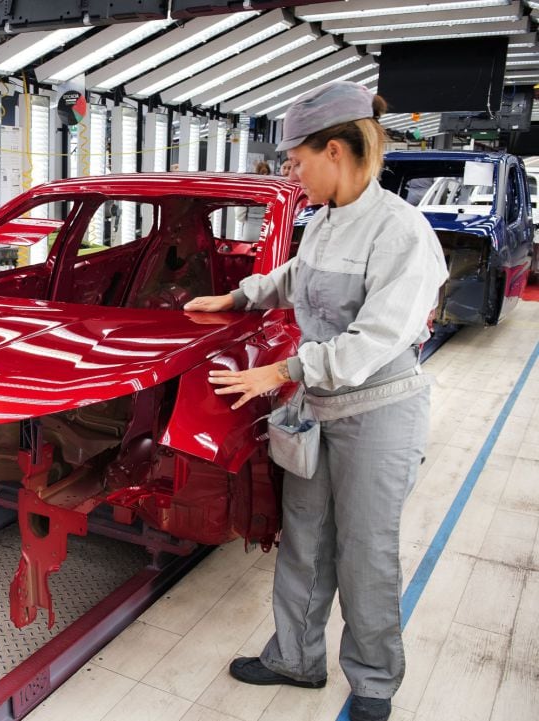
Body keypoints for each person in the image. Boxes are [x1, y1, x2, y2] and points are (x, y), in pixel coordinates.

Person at [183, 82, 448, 721]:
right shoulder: (326, 221)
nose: (292, 176)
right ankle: (295, 658)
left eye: (297, 163)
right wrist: (239, 297)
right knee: (305, 538)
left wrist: (283, 370)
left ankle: (375, 684)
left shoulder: (402, 233)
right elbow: (295, 276)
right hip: (319, 410)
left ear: (336, 150)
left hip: (376, 411)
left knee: (365, 551)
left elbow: (375, 339)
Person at [237, 160, 272, 241]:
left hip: (249, 229)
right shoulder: (272, 189)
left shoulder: (249, 189)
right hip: (266, 229)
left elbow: (240, 215)